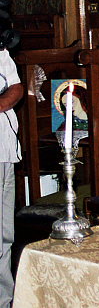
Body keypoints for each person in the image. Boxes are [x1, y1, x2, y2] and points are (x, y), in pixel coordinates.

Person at [0, 48, 22, 308]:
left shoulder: (1, 52)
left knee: (3, 232)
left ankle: (4, 300)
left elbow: (15, 87)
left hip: (2, 151)